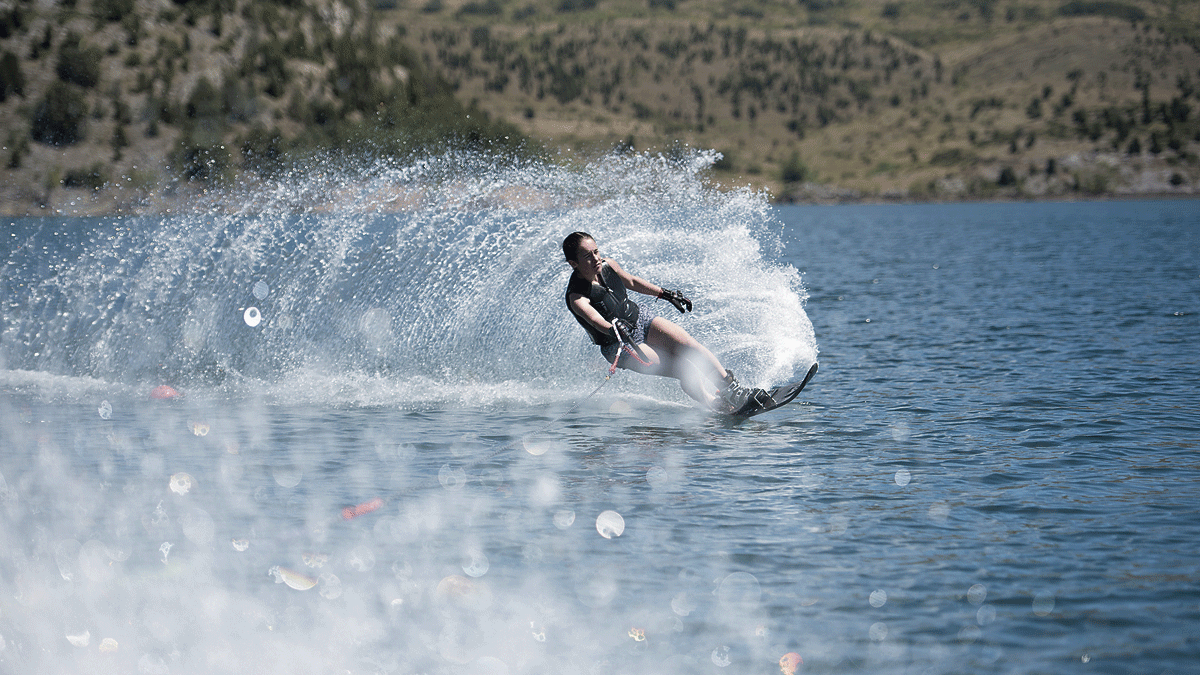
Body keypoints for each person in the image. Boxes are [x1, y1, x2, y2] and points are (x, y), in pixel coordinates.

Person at [562, 231, 766, 414]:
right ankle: (715, 403)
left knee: (690, 347)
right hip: (620, 344)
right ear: (574, 263)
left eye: (596, 251)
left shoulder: (609, 265)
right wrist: (613, 328)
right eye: (587, 256)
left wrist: (666, 294)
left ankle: (733, 390)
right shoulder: (577, 297)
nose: (596, 258)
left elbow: (632, 282)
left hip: (640, 319)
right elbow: (597, 321)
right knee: (684, 368)